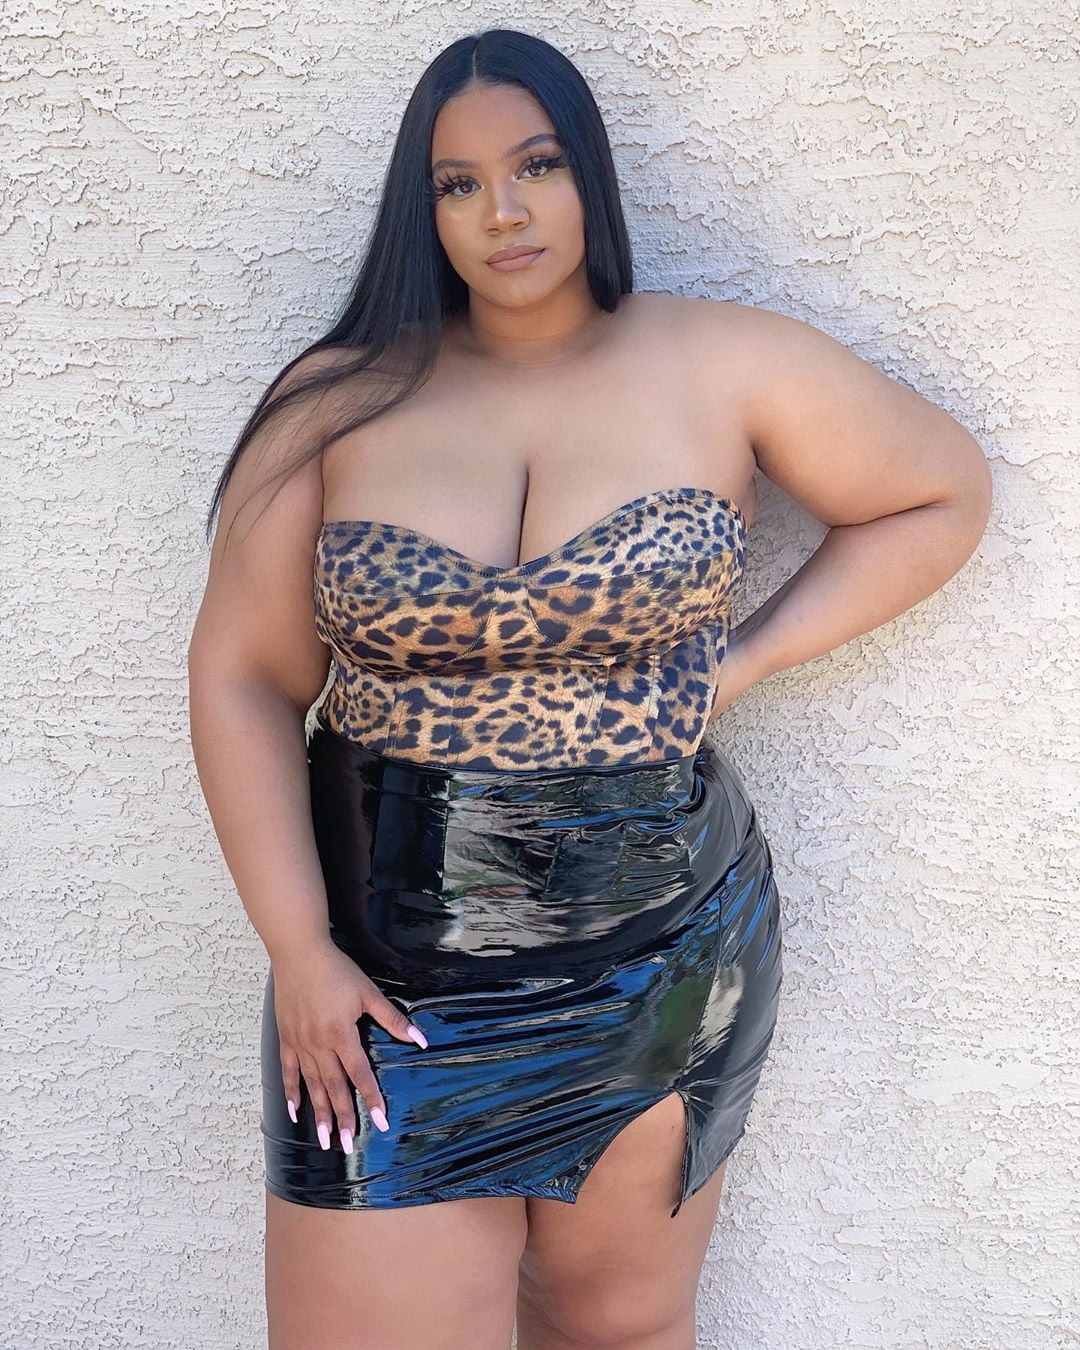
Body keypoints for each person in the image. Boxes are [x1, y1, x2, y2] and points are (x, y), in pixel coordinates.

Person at [186, 27, 992, 1350]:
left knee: (614, 1329)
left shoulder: (722, 363)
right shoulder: (337, 402)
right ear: (422, 210)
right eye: (458, 184)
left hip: (661, 953)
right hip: (384, 975)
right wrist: (299, 951)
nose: (502, 212)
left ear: (589, 174)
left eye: (537, 165)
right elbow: (243, 678)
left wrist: (740, 661)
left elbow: (939, 494)